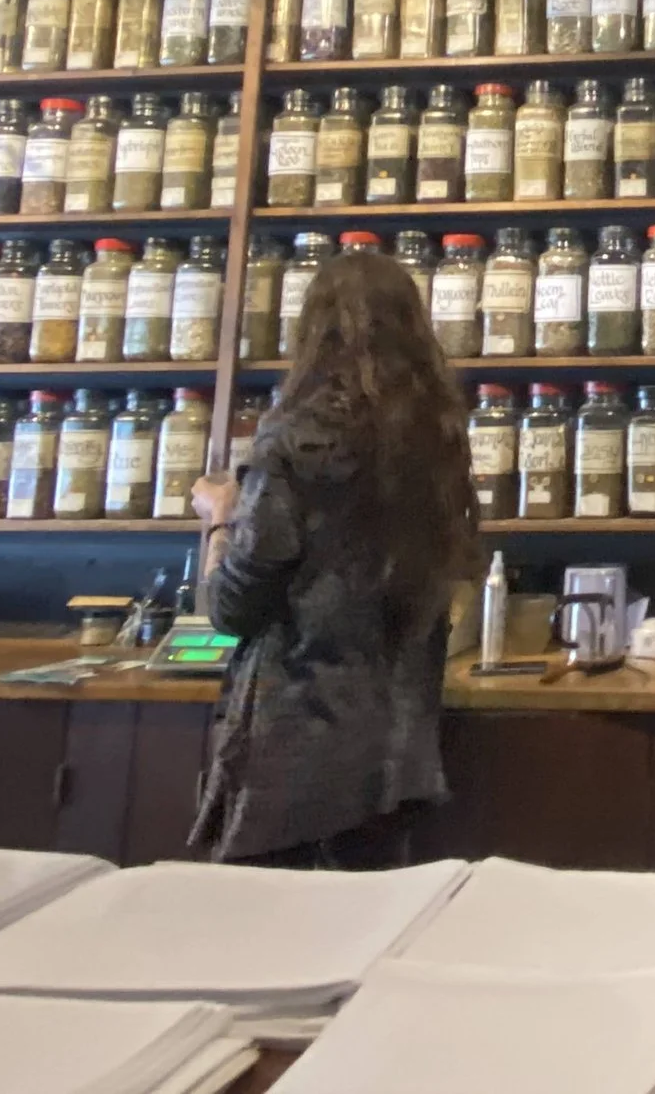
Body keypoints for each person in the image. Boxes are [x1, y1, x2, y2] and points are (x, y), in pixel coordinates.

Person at [189, 247, 476, 867]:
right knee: (368, 933)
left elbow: (234, 606)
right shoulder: (438, 442)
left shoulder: (293, 440)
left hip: (298, 750)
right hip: (395, 748)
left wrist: (220, 518)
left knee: (273, 937)